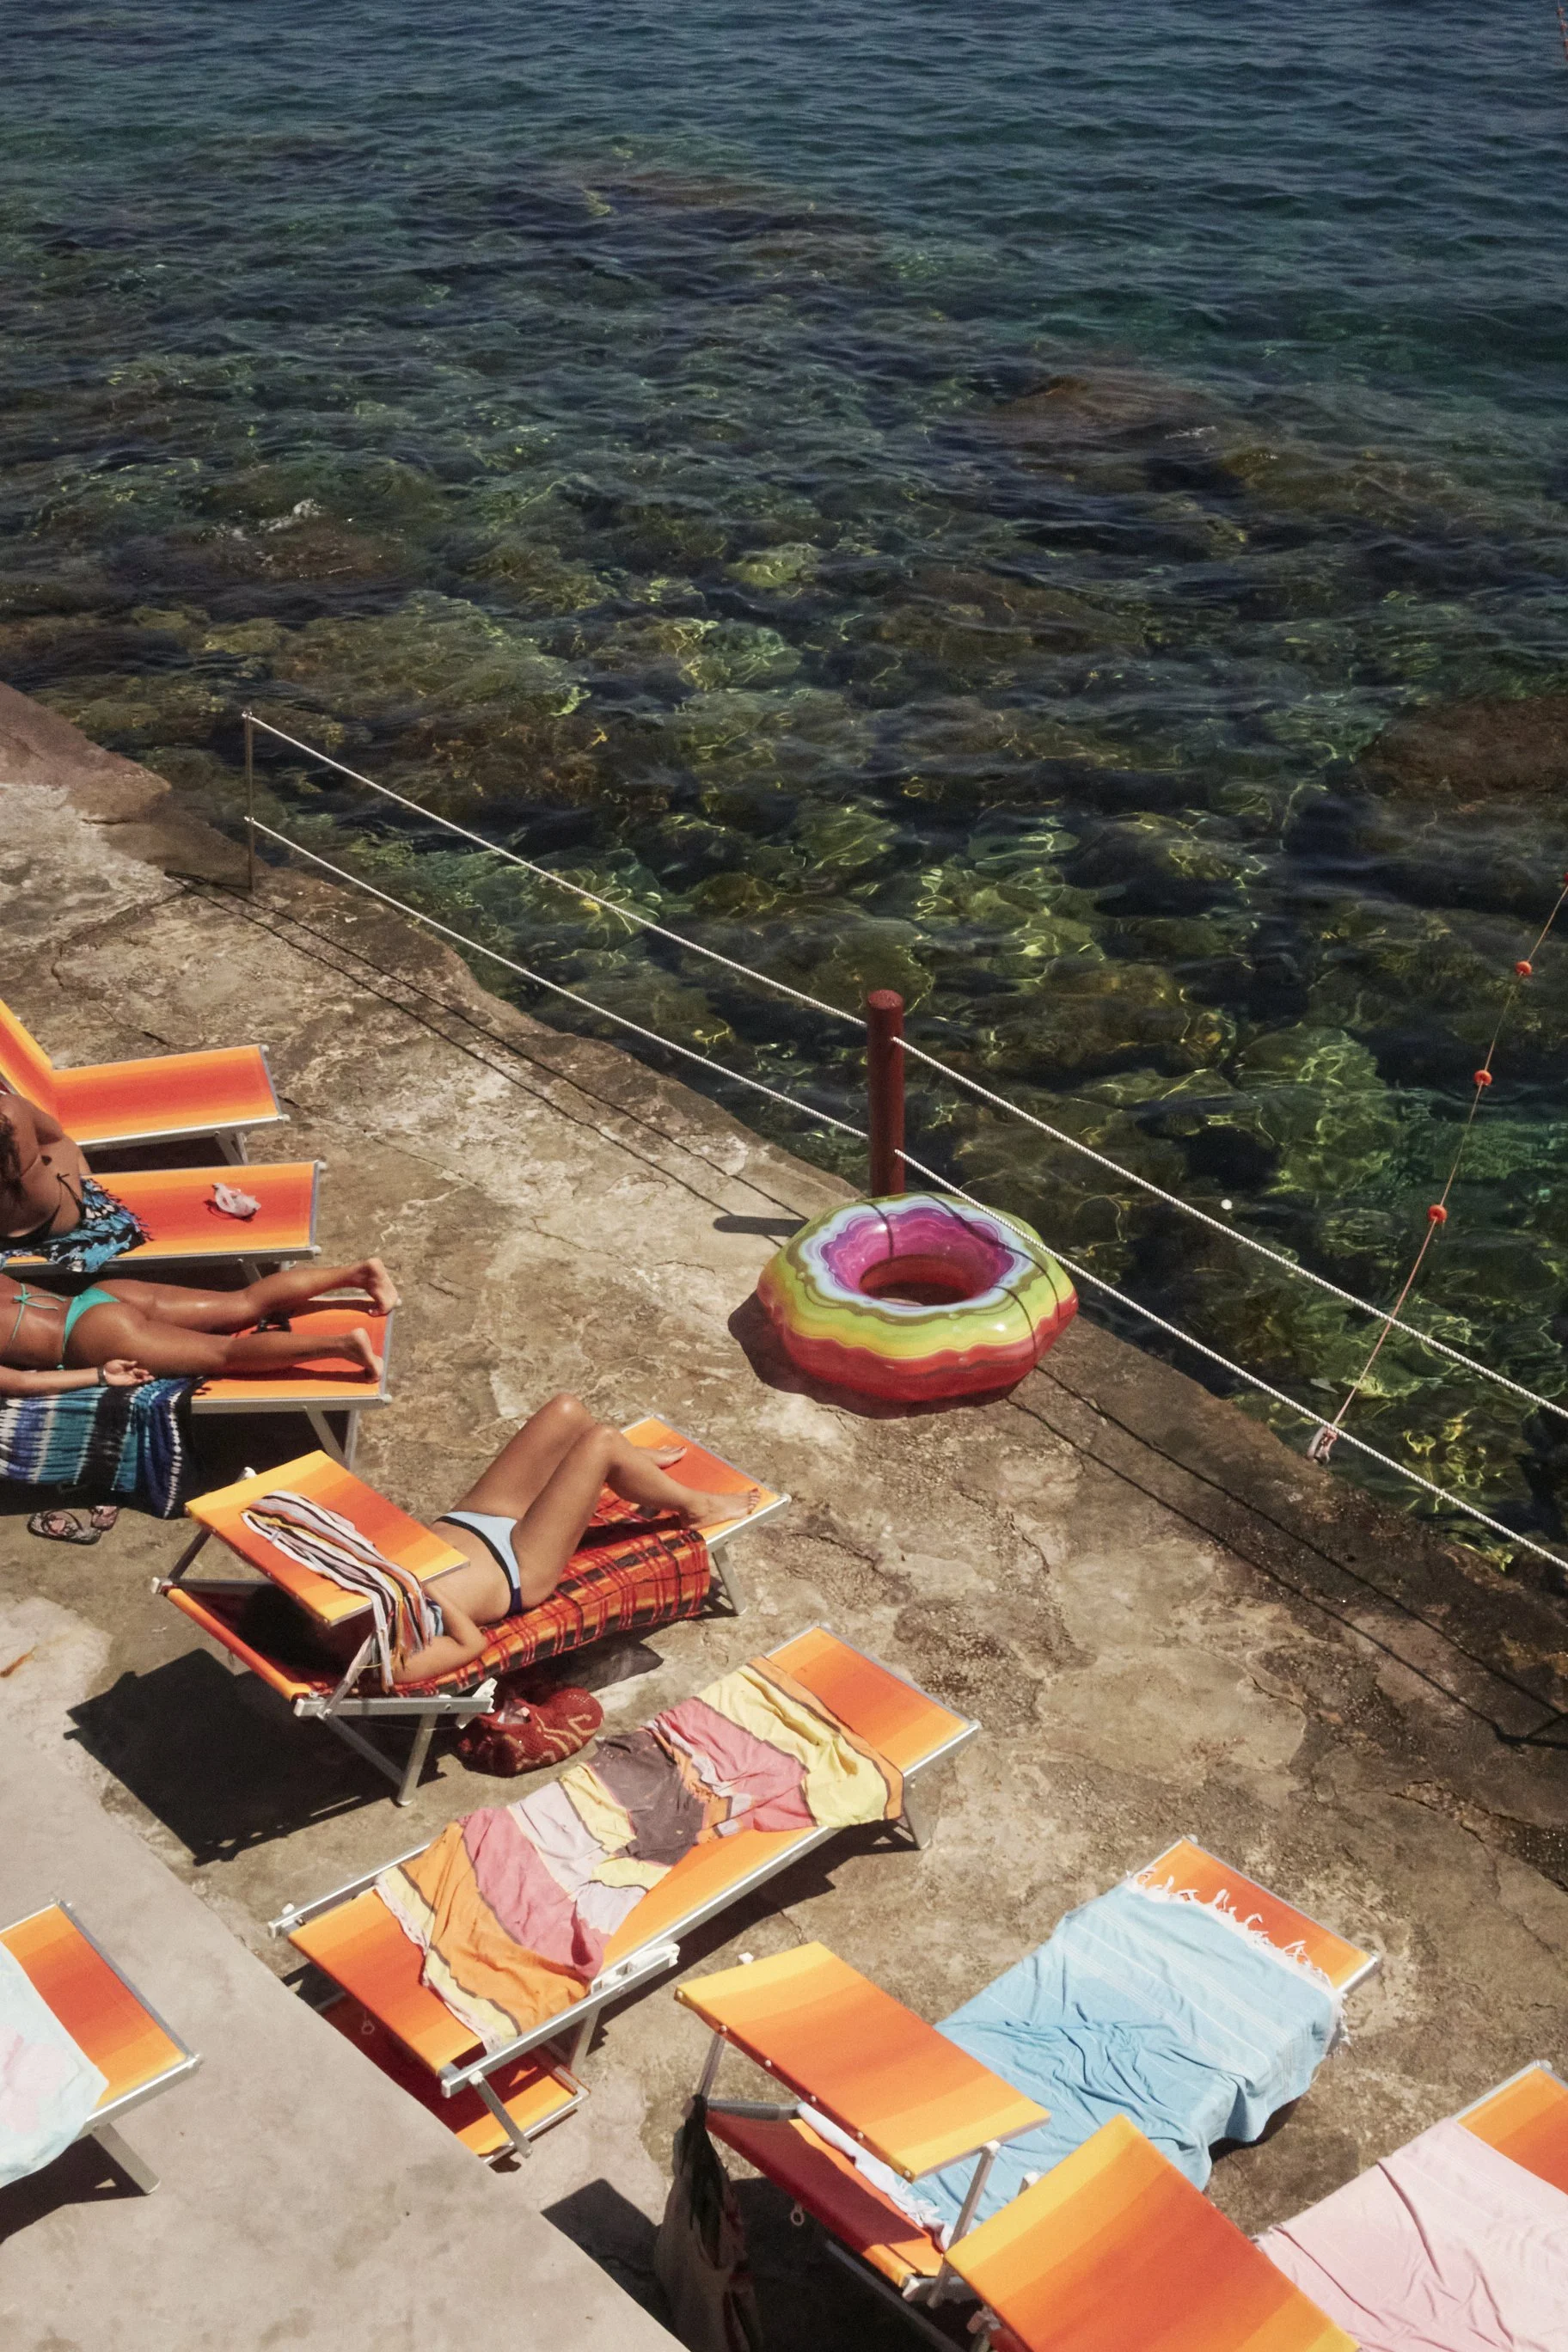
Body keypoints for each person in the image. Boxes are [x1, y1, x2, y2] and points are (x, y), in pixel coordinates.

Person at [395, 1392, 761, 1684]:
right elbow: (469, 1645)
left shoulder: (341, 1602)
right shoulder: (381, 1662)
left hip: (469, 1521)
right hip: (516, 1565)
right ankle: (696, 1506)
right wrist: (423, 1589)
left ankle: (628, 1463)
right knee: (602, 1443)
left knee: (566, 1411)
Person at [0, 1258, 398, 1394]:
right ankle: (358, 1273)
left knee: (224, 1355)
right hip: (100, 1295)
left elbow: (19, 1384)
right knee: (243, 1302)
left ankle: (343, 1346)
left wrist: (99, 1374)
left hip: (87, 1336)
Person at [0, 1092, 149, 1276]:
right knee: (62, 1145)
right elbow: (54, 1133)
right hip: (55, 1223)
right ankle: (91, 1194)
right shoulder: (11, 1109)